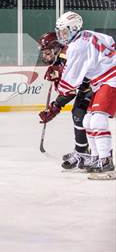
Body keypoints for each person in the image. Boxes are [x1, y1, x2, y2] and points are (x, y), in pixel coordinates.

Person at [39, 12, 115, 174]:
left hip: (109, 78)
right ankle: (94, 156)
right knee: (87, 120)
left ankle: (105, 160)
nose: (62, 35)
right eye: (60, 32)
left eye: (64, 32)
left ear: (74, 29)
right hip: (100, 80)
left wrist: (58, 82)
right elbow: (110, 43)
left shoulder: (75, 48)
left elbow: (69, 86)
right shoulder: (87, 35)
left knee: (93, 118)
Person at [38, 31, 95, 170]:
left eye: (47, 52)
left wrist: (55, 107)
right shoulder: (61, 58)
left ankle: (92, 155)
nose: (45, 57)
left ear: (56, 48)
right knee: (79, 115)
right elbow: (70, 88)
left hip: (97, 85)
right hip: (88, 88)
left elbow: (70, 90)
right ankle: (82, 152)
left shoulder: (67, 55)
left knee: (83, 116)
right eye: (43, 53)